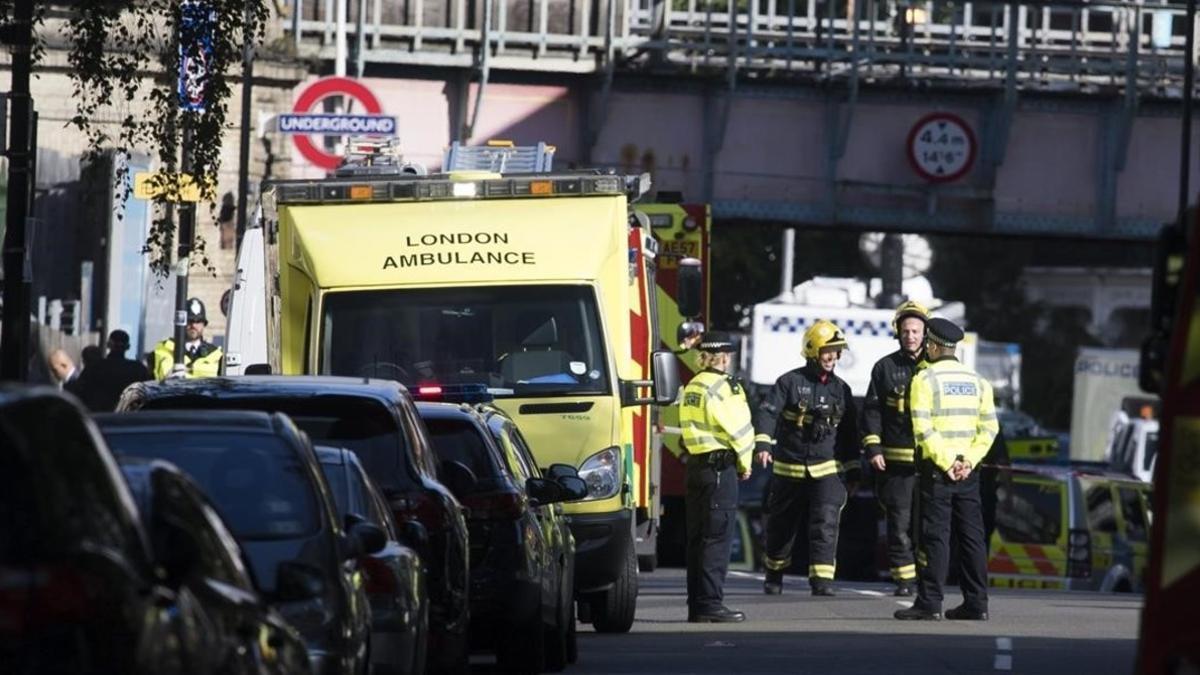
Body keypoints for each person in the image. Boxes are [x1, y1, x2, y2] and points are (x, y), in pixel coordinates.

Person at [895, 317, 999, 622]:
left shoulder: (924, 380)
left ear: (935, 345)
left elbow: (923, 429)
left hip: (939, 471)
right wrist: (968, 461)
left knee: (936, 536)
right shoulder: (979, 381)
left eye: (927, 342)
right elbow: (989, 428)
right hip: (969, 471)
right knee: (972, 537)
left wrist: (946, 463)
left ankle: (930, 603)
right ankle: (977, 603)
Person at [755, 319, 860, 596]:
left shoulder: (841, 389)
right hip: (788, 469)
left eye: (837, 351)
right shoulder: (789, 382)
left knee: (825, 523)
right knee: (781, 527)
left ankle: (822, 581)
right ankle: (774, 575)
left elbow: (850, 433)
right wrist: (763, 444)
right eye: (829, 350)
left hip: (827, 471)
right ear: (813, 350)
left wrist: (853, 471)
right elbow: (767, 413)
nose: (833, 357)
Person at [678, 331, 754, 623]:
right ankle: (711, 603)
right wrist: (745, 462)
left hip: (696, 467)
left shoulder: (694, 384)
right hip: (720, 470)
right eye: (729, 357)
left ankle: (697, 604)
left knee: (697, 538)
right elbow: (740, 428)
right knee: (716, 539)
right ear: (723, 357)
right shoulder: (726, 387)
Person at [861, 300, 929, 596]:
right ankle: (904, 581)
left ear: (925, 333)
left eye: (915, 331)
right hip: (896, 466)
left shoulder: (936, 366)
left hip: (931, 464)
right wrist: (873, 448)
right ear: (898, 333)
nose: (910, 336)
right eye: (905, 331)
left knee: (928, 527)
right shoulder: (885, 368)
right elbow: (872, 411)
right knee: (898, 525)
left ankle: (928, 580)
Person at [77, 330, 153, 412]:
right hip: (127, 420)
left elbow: (79, 393)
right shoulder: (138, 369)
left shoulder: (94, 367)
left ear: (108, 345)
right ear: (128, 347)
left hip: (98, 419)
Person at [153, 298, 223, 380]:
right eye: (190, 320)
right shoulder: (165, 347)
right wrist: (203, 371)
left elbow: (216, 379)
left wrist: (191, 368)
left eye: (198, 321)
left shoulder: (215, 353)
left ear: (204, 324)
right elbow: (166, 375)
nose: (193, 325)